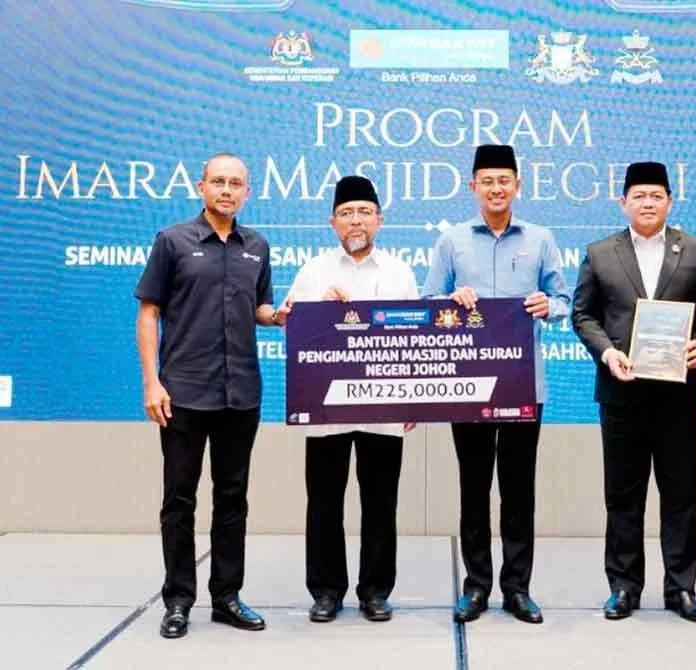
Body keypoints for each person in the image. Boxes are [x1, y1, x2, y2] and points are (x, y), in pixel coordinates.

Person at [135, 152, 289, 639]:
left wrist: (278, 316)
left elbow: (259, 308)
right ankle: (178, 600)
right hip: (182, 392)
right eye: (218, 181)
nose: (227, 190)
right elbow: (149, 313)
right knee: (179, 501)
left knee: (232, 499)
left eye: (236, 183)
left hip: (241, 392)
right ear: (201, 186)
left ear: (247, 192)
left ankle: (226, 597)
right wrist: (151, 382)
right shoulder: (173, 242)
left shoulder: (258, 246)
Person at [572, 161, 696, 623]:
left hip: (679, 395)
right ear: (623, 202)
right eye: (638, 195)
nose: (647, 203)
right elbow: (584, 316)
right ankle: (623, 586)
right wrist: (606, 353)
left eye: (656, 195)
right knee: (623, 494)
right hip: (621, 393)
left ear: (670, 201)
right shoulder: (600, 253)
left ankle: (681, 588)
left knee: (680, 494)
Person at [422, 144, 570, 624]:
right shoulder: (452, 241)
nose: (496, 188)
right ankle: (476, 586)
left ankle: (518, 588)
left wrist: (550, 306)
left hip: (525, 385)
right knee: (474, 486)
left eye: (504, 180)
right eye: (487, 181)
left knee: (518, 487)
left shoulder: (541, 239)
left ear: (518, 185)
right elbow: (428, 301)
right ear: (473, 187)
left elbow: (564, 296)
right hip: (468, 385)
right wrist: (450, 298)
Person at [282, 176, 418, 623]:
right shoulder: (314, 270)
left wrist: (413, 401)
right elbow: (289, 325)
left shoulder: (399, 271)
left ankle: (376, 591)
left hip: (384, 408)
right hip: (327, 408)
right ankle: (325, 591)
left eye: (364, 211)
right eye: (346, 213)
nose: (355, 220)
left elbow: (416, 338)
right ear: (332, 222)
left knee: (381, 501)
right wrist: (319, 307)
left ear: (379, 219)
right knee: (323, 501)